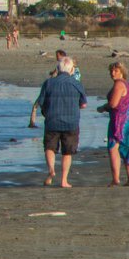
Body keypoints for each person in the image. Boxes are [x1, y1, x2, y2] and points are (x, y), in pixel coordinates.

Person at [30, 53, 87, 187]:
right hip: (71, 122)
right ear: (72, 70)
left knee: (49, 147)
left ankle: (51, 170)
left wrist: (46, 113)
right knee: (67, 152)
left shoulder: (48, 83)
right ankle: (64, 180)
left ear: (58, 68)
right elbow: (83, 104)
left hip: (52, 120)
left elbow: (42, 102)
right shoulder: (76, 84)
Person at [97, 61, 129, 187]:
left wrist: (103, 107)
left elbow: (113, 104)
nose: (112, 73)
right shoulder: (126, 84)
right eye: (111, 71)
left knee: (113, 148)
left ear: (122, 72)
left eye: (116, 70)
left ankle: (116, 179)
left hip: (121, 120)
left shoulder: (119, 84)